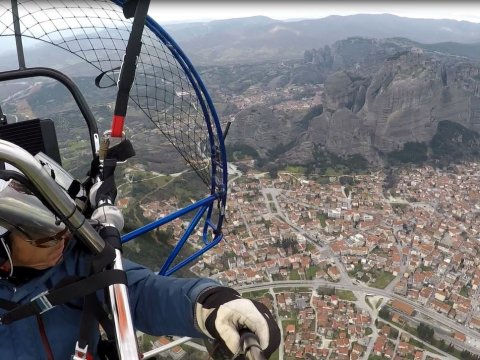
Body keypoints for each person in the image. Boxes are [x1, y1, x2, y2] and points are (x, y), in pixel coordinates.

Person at [0, 177, 281, 359]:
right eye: (48, 236)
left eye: (67, 229)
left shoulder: (71, 261)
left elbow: (137, 292)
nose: (65, 239)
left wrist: (208, 304)